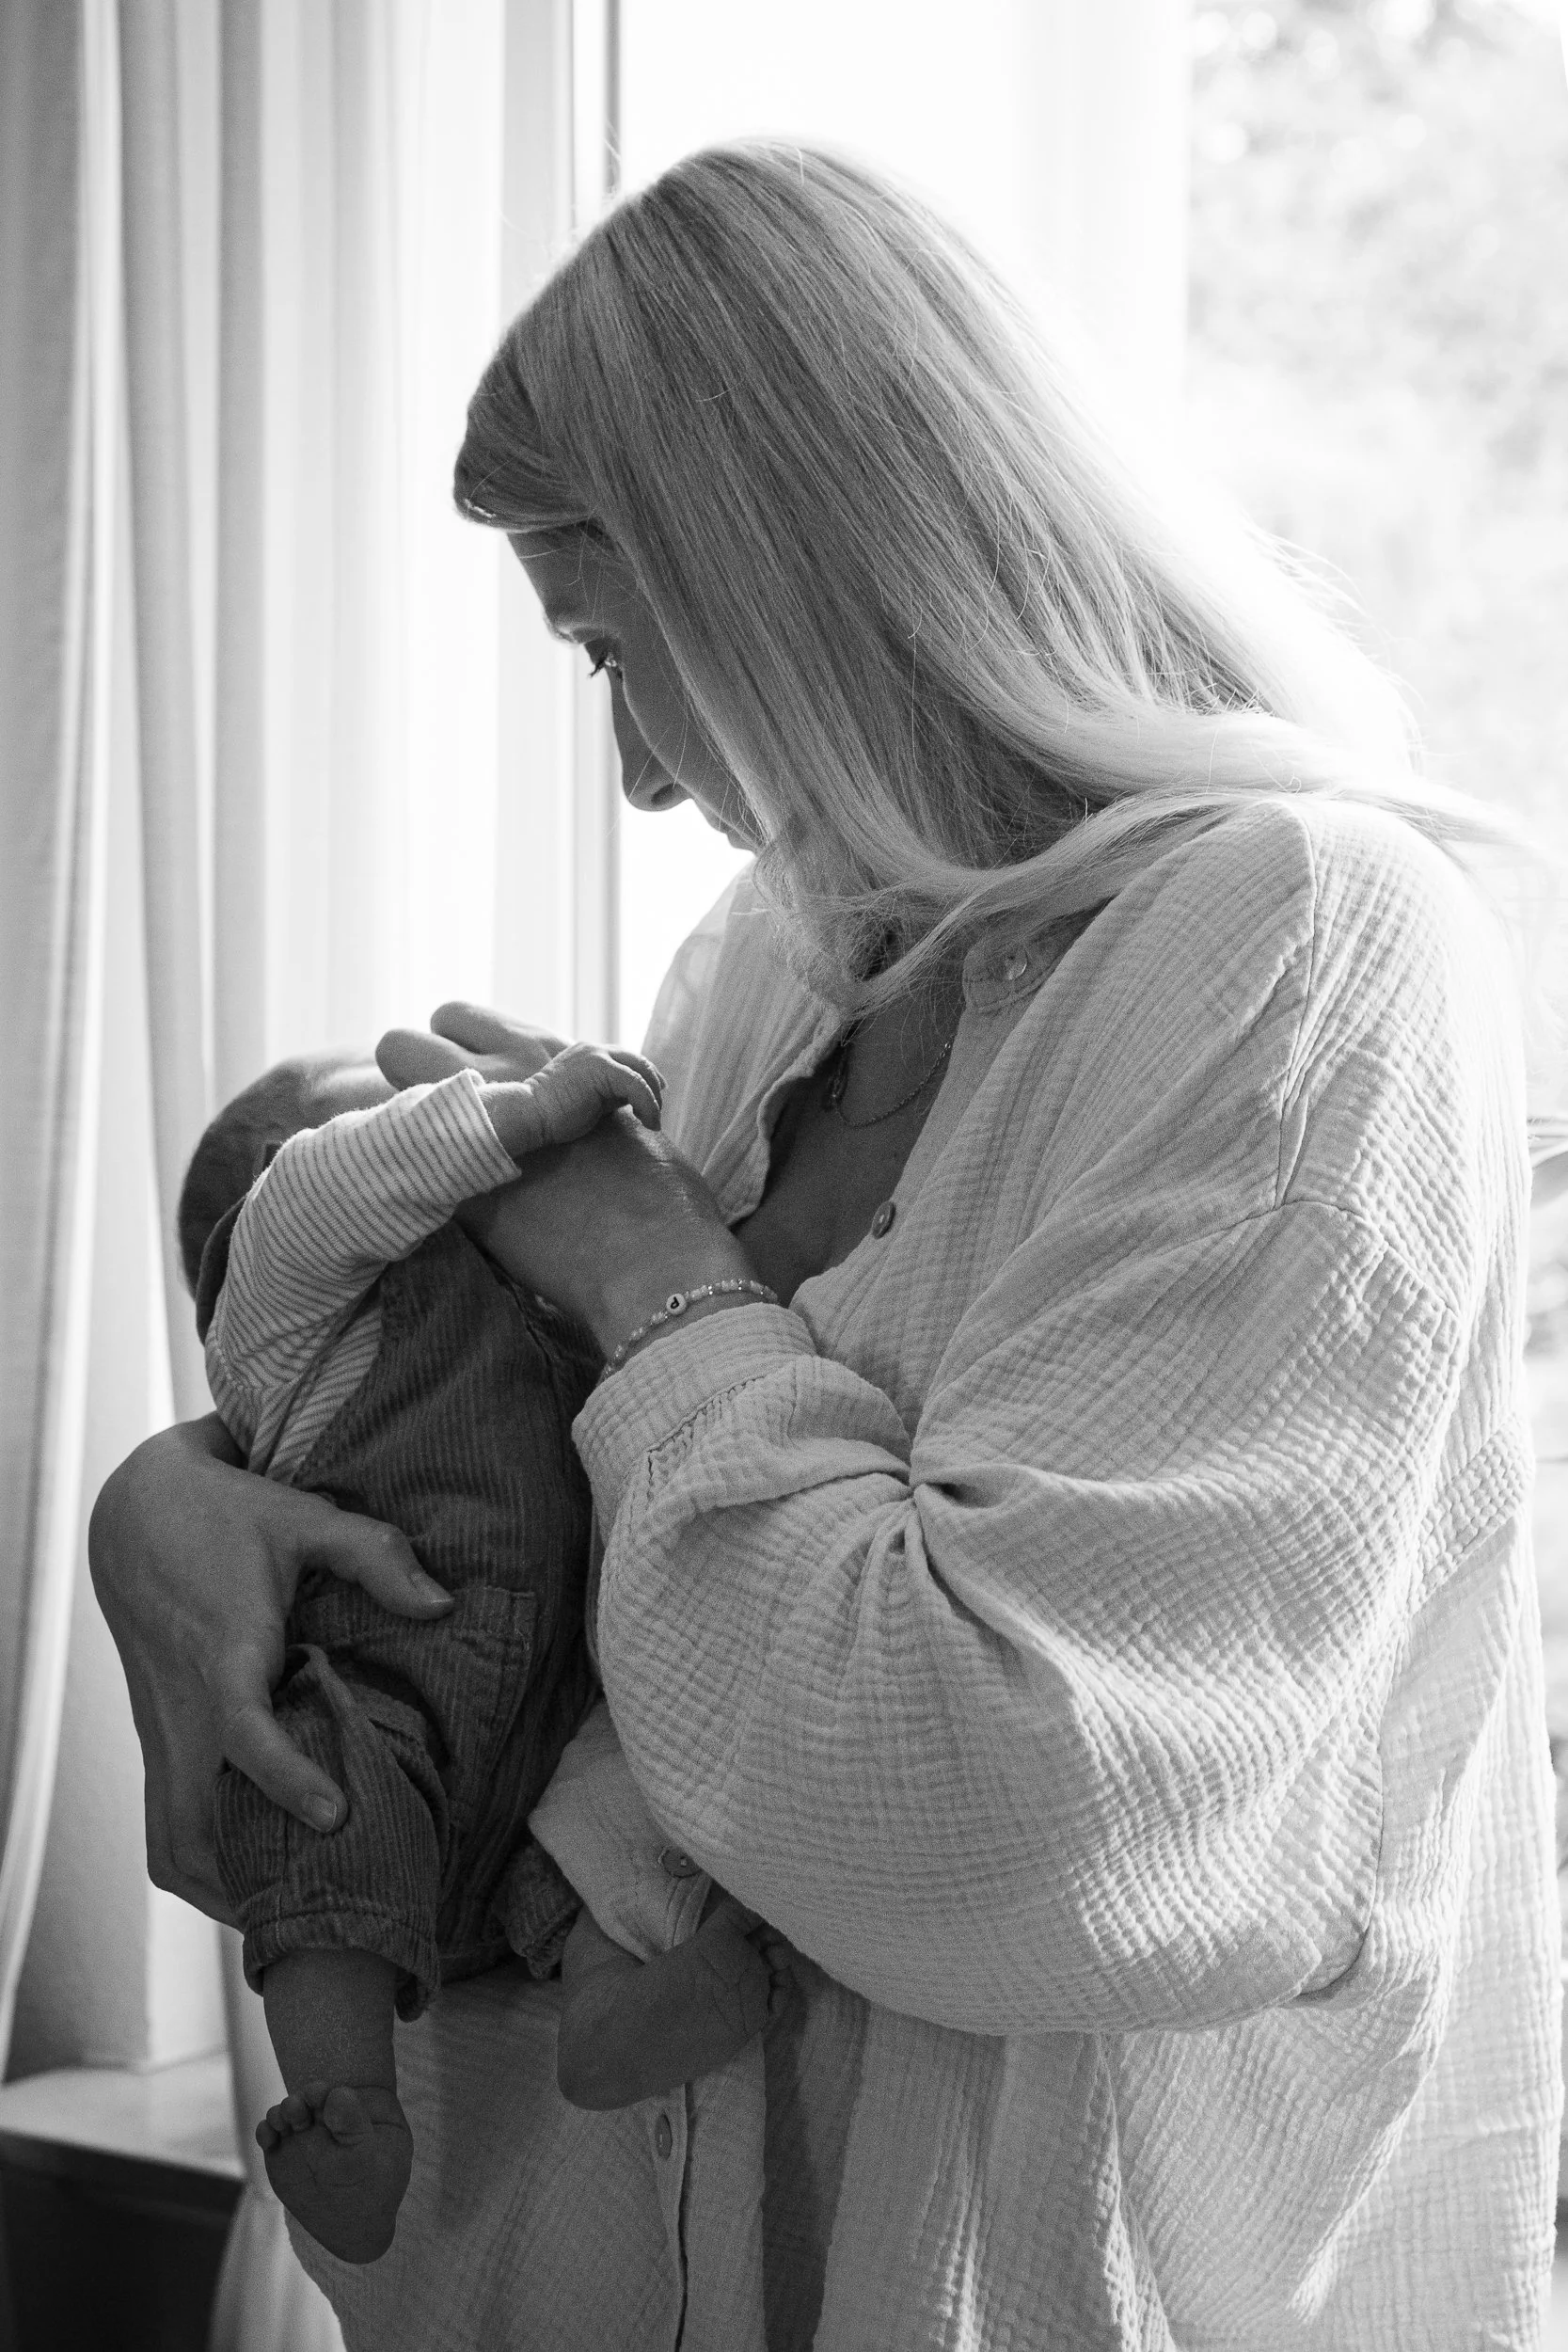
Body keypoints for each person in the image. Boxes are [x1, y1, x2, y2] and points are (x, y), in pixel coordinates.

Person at [89, 141, 1561, 2348]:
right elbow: (592, 1592)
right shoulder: (771, 971)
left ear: (776, 572)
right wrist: (181, 1507)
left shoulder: (1296, 946)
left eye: (614, 649)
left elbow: (1031, 1819)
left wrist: (644, 1279)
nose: (635, 781)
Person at [180, 1044, 792, 2263]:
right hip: (388, 1676)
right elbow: (341, 1174)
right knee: (316, 1799)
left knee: (625, 1791)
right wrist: (525, 1108)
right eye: (399, 1110)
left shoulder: (527, 1303)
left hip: (559, 1693)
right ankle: (345, 2103)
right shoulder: (287, 1283)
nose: (441, 1129)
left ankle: (610, 2005)